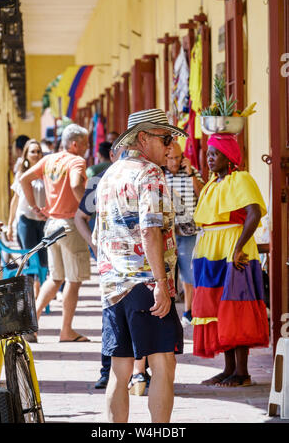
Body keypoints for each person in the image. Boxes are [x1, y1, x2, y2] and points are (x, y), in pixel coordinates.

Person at [92, 108, 187, 423]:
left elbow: (98, 234)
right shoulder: (149, 173)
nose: (171, 146)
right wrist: (161, 283)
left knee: (120, 370)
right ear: (142, 138)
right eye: (165, 137)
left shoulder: (110, 174)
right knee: (163, 366)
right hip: (145, 283)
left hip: (113, 284)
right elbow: (150, 229)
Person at [191, 133, 270, 387]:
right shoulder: (212, 183)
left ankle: (242, 372)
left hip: (233, 248)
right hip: (210, 251)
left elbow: (254, 213)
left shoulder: (241, 178)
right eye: (208, 154)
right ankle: (228, 369)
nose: (209, 158)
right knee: (216, 309)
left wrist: (237, 248)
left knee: (236, 307)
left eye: (215, 154)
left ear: (229, 156)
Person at [20, 124, 90, 343]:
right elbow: (76, 184)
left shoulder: (49, 160)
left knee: (56, 277)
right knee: (74, 279)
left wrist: (34, 207)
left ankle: (31, 325)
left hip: (51, 224)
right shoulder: (76, 161)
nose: (87, 148)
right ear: (75, 144)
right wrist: (87, 208)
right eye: (86, 144)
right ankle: (66, 330)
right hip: (70, 223)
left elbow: (24, 179)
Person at [75, 143, 126, 389]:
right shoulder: (101, 181)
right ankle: (107, 371)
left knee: (143, 315)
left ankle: (140, 372)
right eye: (124, 152)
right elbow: (80, 217)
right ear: (113, 155)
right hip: (111, 261)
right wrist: (94, 246)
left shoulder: (148, 176)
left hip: (142, 264)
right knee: (112, 314)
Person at [164, 141, 204, 327]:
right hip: (167, 233)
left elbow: (203, 195)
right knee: (167, 275)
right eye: (170, 158)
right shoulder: (159, 174)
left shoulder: (191, 172)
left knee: (189, 274)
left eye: (177, 158)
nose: (173, 162)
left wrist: (191, 174)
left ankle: (189, 311)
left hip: (189, 232)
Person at [7, 139, 47, 299]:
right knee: (30, 261)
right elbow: (14, 201)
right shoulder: (21, 175)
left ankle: (42, 296)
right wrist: (10, 225)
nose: (36, 154)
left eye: (38, 151)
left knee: (43, 261)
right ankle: (30, 297)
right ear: (26, 155)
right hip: (26, 221)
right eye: (32, 151)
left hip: (43, 221)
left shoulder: (46, 173)